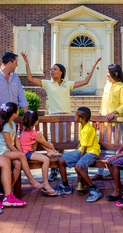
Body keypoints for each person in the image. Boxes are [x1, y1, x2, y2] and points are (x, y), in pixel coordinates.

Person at [20, 51, 102, 181]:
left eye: (55, 69)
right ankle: (54, 169)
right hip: (54, 117)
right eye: (51, 69)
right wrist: (26, 62)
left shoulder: (67, 84)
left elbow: (86, 81)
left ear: (61, 72)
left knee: (64, 144)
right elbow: (30, 79)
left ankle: (60, 166)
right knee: (56, 144)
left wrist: (93, 66)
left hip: (67, 117)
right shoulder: (47, 83)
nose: (52, 71)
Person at [55, 107, 103, 202]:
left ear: (80, 118)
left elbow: (85, 148)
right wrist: (75, 152)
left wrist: (79, 161)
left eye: (76, 115)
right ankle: (65, 185)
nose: (74, 116)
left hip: (92, 152)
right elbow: (81, 144)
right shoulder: (82, 125)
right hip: (82, 150)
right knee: (60, 160)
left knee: (78, 167)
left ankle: (94, 189)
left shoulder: (88, 129)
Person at [0, 102, 43, 192]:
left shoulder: (13, 123)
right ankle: (32, 180)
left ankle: (9, 189)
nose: (18, 112)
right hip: (2, 151)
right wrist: (19, 154)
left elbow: (16, 140)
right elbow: (8, 144)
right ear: (14, 114)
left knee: (18, 164)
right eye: (17, 110)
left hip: (9, 151)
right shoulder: (5, 126)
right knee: (21, 156)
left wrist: (20, 152)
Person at [92, 63, 123, 181]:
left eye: (108, 72)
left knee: (113, 148)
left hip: (116, 124)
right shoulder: (107, 86)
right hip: (104, 123)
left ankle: (113, 170)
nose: (107, 74)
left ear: (116, 73)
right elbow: (103, 103)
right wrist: (99, 117)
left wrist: (114, 113)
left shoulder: (122, 87)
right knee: (102, 147)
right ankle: (99, 172)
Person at [19, 110, 61, 196]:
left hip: (27, 151)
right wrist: (52, 148)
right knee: (45, 160)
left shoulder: (26, 131)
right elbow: (44, 143)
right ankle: (46, 183)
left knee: (39, 133)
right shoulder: (32, 133)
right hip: (27, 154)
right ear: (36, 121)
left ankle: (50, 152)